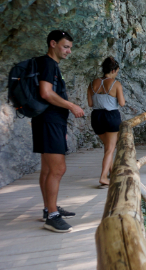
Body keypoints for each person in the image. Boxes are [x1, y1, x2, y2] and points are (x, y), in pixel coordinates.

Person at [33, 30, 85, 233]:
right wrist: (71, 105)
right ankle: (52, 216)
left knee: (47, 169)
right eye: (65, 46)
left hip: (47, 121)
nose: (69, 51)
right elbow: (46, 93)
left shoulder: (47, 64)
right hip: (49, 122)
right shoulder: (47, 64)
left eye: (70, 47)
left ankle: (49, 209)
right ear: (53, 44)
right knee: (57, 169)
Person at [87, 57, 125, 185]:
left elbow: (90, 103)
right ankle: (103, 177)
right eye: (117, 71)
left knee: (108, 147)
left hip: (96, 117)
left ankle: (112, 172)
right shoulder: (116, 84)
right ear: (113, 70)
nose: (117, 74)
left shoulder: (92, 83)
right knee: (110, 148)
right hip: (111, 116)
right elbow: (122, 103)